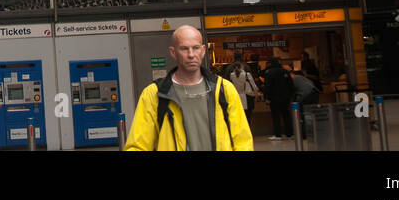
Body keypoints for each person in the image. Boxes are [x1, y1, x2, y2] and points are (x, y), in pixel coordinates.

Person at [124, 25, 253, 151]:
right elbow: (137, 146)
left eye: (196, 48)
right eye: (184, 49)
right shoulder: (154, 94)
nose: (191, 54)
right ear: (173, 52)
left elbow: (242, 141)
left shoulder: (224, 89)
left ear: (203, 51)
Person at [262, 57, 293, 142]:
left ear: (270, 63)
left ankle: (278, 135)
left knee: (276, 116)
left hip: (274, 98)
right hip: (285, 98)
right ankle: (289, 134)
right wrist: (290, 96)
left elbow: (267, 86)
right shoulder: (285, 71)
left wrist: (267, 98)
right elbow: (291, 85)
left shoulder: (269, 72)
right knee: (286, 115)